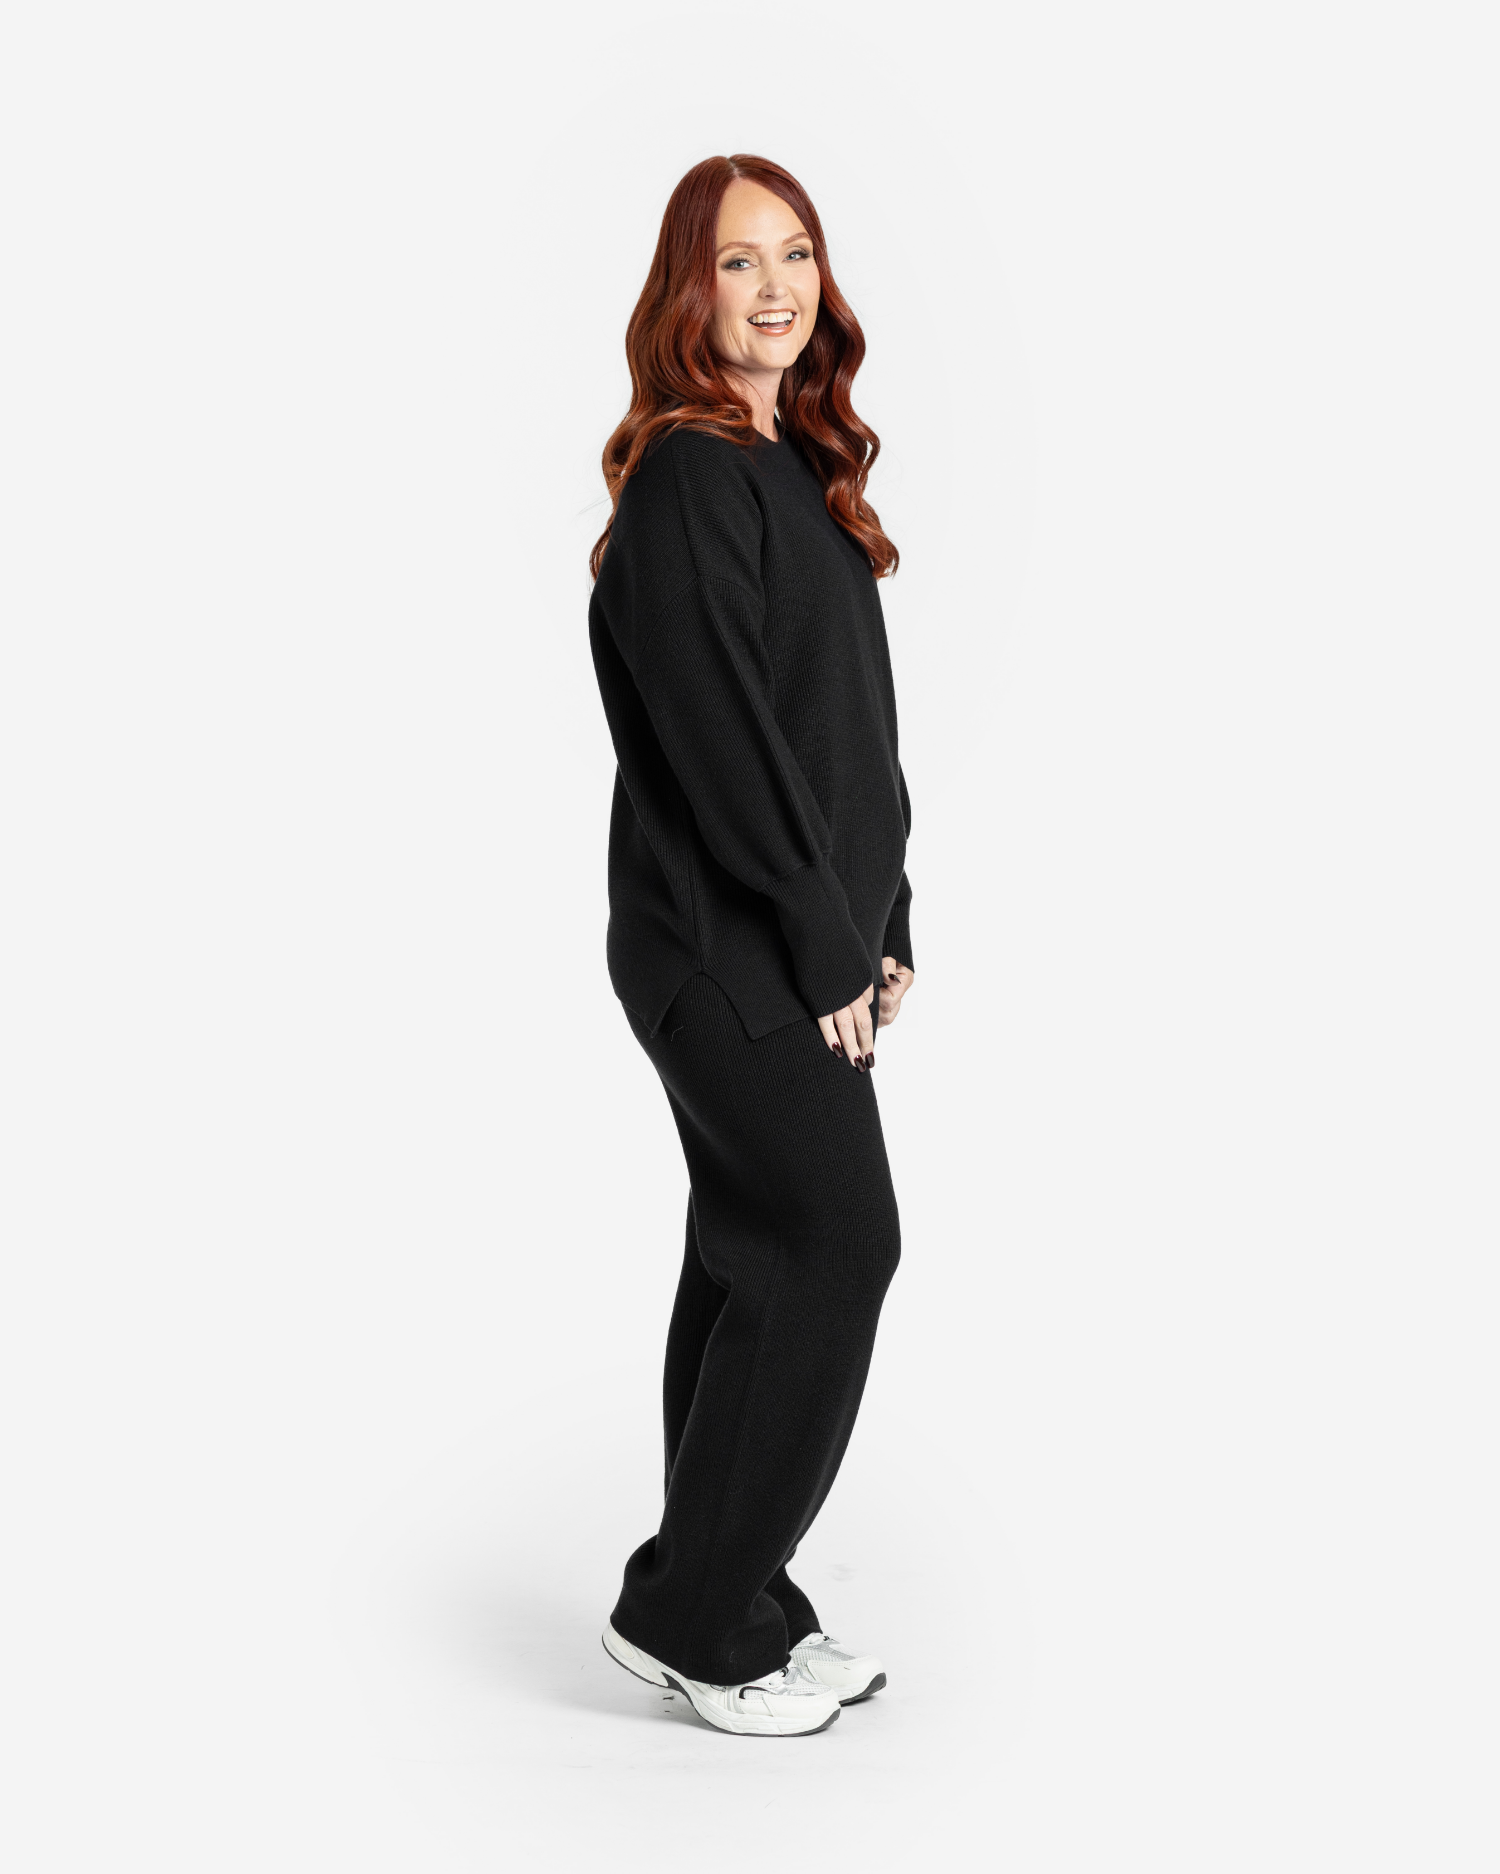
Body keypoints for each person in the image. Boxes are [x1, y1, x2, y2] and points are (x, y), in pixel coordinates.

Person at [587, 154, 917, 1738]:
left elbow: (845, 733)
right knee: (838, 1239)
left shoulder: (792, 469)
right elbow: (727, 749)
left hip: (793, 935)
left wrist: (887, 918)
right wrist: (819, 938)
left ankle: (731, 1590)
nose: (775, 287)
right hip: (722, 946)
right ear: (687, 289)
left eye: (795, 254)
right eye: (737, 262)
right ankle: (693, 1616)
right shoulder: (687, 478)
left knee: (752, 1253)